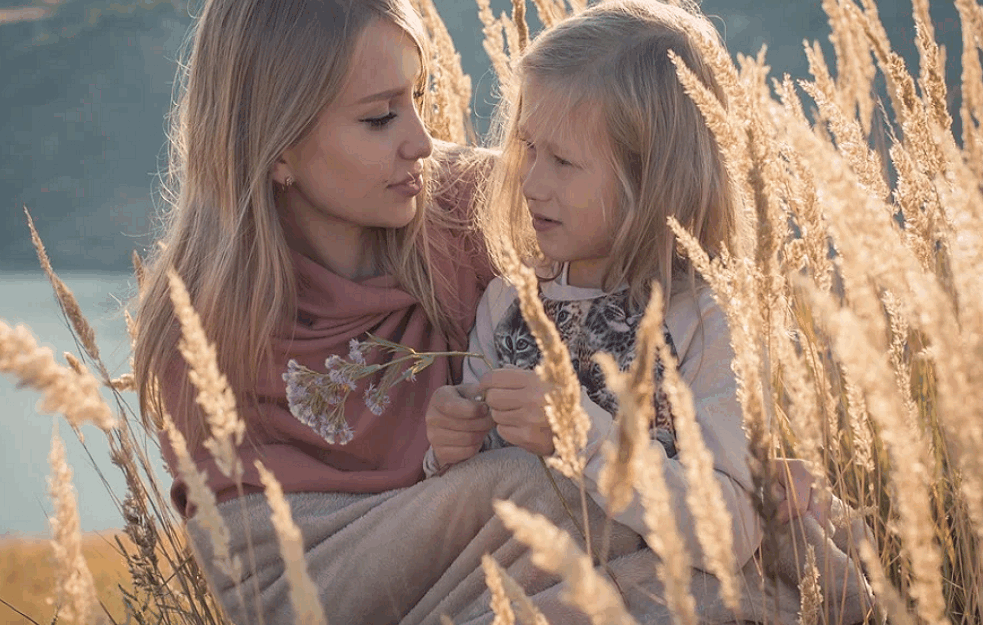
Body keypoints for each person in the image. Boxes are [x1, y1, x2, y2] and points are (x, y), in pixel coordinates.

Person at [423, 1, 875, 623]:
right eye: (527, 147)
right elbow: (475, 492)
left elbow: (731, 530)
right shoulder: (509, 302)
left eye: (563, 161)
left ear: (651, 179)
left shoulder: (704, 321)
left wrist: (578, 432)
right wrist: (446, 450)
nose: (529, 181)